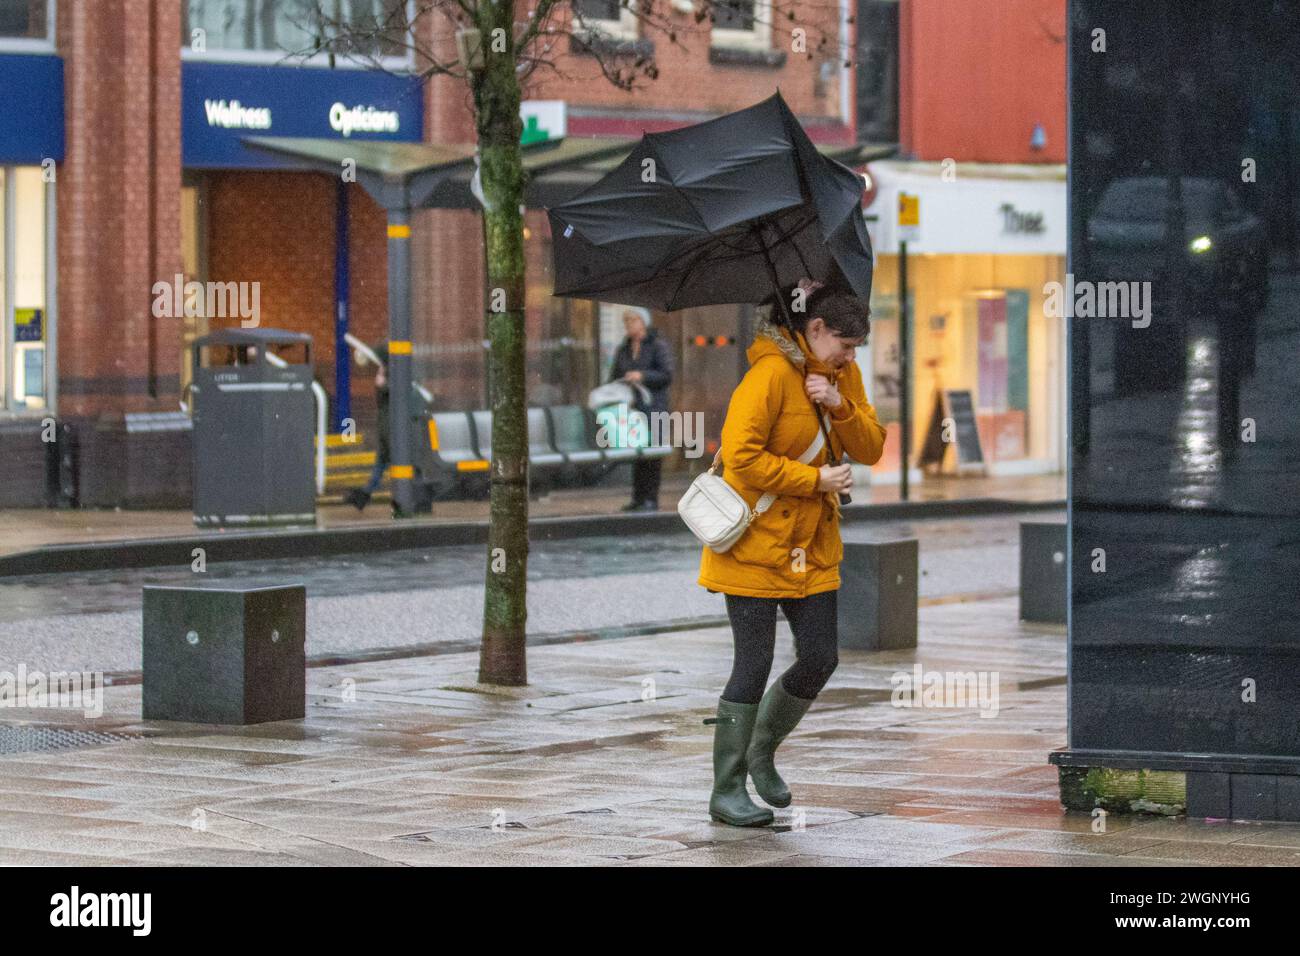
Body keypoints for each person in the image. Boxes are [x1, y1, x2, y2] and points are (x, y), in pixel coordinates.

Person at [699, 282, 887, 827]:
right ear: (816, 329)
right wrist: (815, 477)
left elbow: (872, 446)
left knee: (821, 655)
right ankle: (726, 789)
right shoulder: (767, 377)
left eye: (857, 349)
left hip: (814, 547)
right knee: (752, 665)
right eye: (845, 345)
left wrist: (839, 403)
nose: (851, 357)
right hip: (754, 547)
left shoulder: (841, 378)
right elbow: (739, 459)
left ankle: (761, 750)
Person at [608, 309, 674, 511]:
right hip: (632, 409)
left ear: (643, 322)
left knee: (653, 455)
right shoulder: (624, 348)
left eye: (632, 320)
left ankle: (650, 498)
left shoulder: (657, 346)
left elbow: (666, 375)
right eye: (626, 321)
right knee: (638, 452)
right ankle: (638, 497)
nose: (629, 325)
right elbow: (614, 376)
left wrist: (642, 375)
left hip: (655, 407)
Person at [345, 342, 390, 511]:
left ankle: (364, 495)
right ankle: (364, 494)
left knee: (384, 463)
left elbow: (385, 398)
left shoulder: (393, 376)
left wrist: (382, 384)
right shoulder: (390, 374)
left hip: (390, 428)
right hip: (388, 428)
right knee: (381, 464)